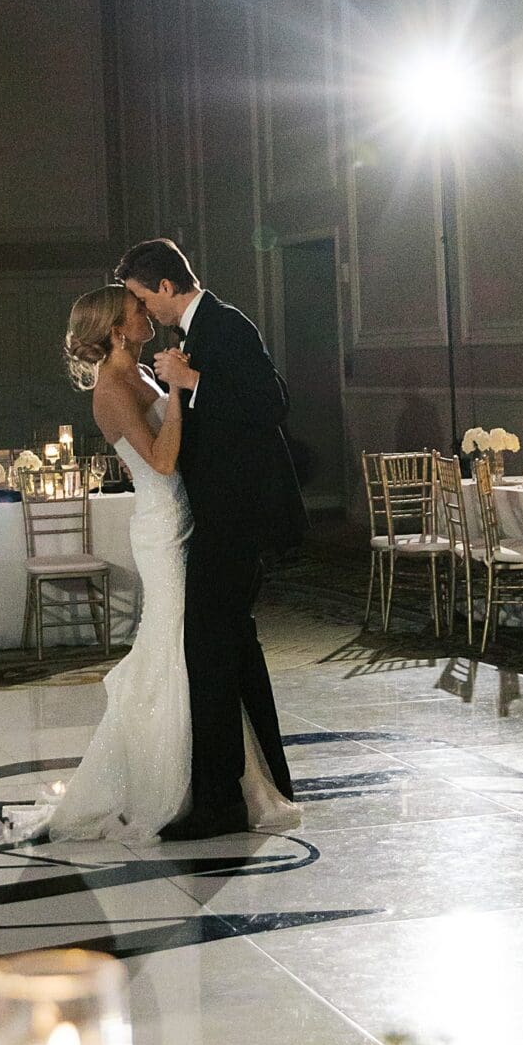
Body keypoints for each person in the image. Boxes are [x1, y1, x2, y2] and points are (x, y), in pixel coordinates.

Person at [1, 283, 296, 846]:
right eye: (136, 310)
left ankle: (209, 778)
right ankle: (169, 784)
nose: (146, 315)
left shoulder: (140, 375)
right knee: (170, 643)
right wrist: (181, 391)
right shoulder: (112, 388)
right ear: (116, 329)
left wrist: (175, 386)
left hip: (186, 516)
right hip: (162, 527)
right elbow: (162, 461)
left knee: (192, 645)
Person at [114, 237, 305, 841]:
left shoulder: (226, 325)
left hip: (238, 517)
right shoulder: (194, 333)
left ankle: (220, 802)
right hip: (218, 516)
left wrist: (193, 378)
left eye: (145, 297)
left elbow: (271, 402)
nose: (145, 310)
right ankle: (265, 781)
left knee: (210, 652)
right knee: (234, 649)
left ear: (166, 288)